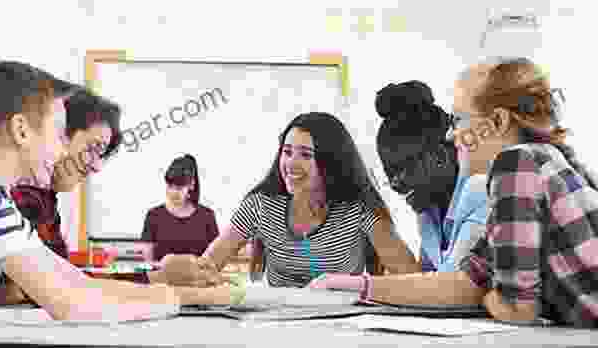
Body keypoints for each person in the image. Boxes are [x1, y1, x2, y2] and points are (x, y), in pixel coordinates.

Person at [0, 60, 234, 323]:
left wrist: (188, 295)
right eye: (60, 133)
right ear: (21, 131)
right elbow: (72, 302)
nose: (63, 152)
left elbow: (76, 284)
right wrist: (186, 298)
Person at [353, 57, 598, 327]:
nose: (450, 136)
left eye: (458, 119)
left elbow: (516, 307)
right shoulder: (540, 163)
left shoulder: (516, 163)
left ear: (497, 121)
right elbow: (470, 279)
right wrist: (359, 286)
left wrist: (493, 298)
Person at [156, 112, 420, 288]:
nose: (291, 164)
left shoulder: (358, 210)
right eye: (287, 152)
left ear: (330, 162)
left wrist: (367, 287)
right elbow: (207, 266)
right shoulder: (260, 205)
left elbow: (414, 280)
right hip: (276, 328)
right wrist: (182, 270)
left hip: (344, 330)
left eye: (306, 154)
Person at [308, 81, 489, 291]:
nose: (395, 184)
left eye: (401, 169)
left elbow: (451, 286)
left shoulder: (480, 192)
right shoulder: (428, 216)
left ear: (439, 157)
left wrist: (356, 284)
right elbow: (426, 285)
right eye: (390, 175)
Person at [0, 88, 123, 306]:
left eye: (102, 154)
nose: (97, 166)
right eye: (94, 148)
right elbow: (39, 289)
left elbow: (63, 279)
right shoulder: (20, 196)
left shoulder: (44, 198)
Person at [141, 154, 219, 261]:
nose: (172, 193)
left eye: (178, 188)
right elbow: (148, 263)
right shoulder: (153, 216)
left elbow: (214, 260)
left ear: (191, 185)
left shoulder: (207, 216)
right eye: (169, 186)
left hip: (197, 277)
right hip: (162, 277)